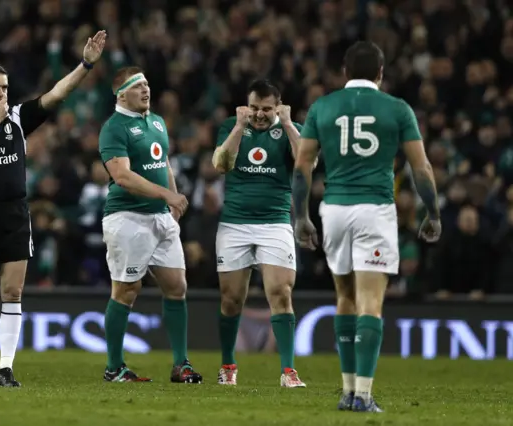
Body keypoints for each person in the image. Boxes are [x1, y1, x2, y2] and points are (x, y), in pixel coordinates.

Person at [0, 31, 108, 387]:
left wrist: (84, 65)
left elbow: (57, 94)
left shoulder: (19, 117)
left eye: (5, 88)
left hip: (15, 213)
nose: (2, 94)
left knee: (13, 292)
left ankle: (5, 369)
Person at [291, 41, 441, 412]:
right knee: (371, 302)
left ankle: (346, 391)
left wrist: (300, 215)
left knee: (344, 298)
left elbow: (302, 166)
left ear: (344, 72)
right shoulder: (397, 109)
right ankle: (364, 394)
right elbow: (420, 168)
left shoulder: (322, 107)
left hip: (335, 210)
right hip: (375, 209)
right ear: (381, 72)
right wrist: (433, 212)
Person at [98, 66, 203, 383]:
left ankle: (181, 364)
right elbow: (122, 176)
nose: (146, 90)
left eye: (146, 84)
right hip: (127, 218)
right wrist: (167, 195)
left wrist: (171, 204)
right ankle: (114, 367)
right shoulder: (113, 128)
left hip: (161, 218)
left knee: (177, 287)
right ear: (121, 94)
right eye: (138, 86)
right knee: (127, 290)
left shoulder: (156, 122)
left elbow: (164, 163)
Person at [212, 79, 306, 388]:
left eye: (266, 109)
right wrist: (239, 128)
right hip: (235, 223)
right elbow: (221, 164)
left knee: (281, 292)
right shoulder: (231, 125)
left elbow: (306, 163)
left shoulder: (290, 129)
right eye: (254, 108)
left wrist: (290, 124)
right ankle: (228, 365)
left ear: (277, 107)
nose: (259, 114)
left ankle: (289, 371)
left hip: (275, 222)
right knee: (231, 300)